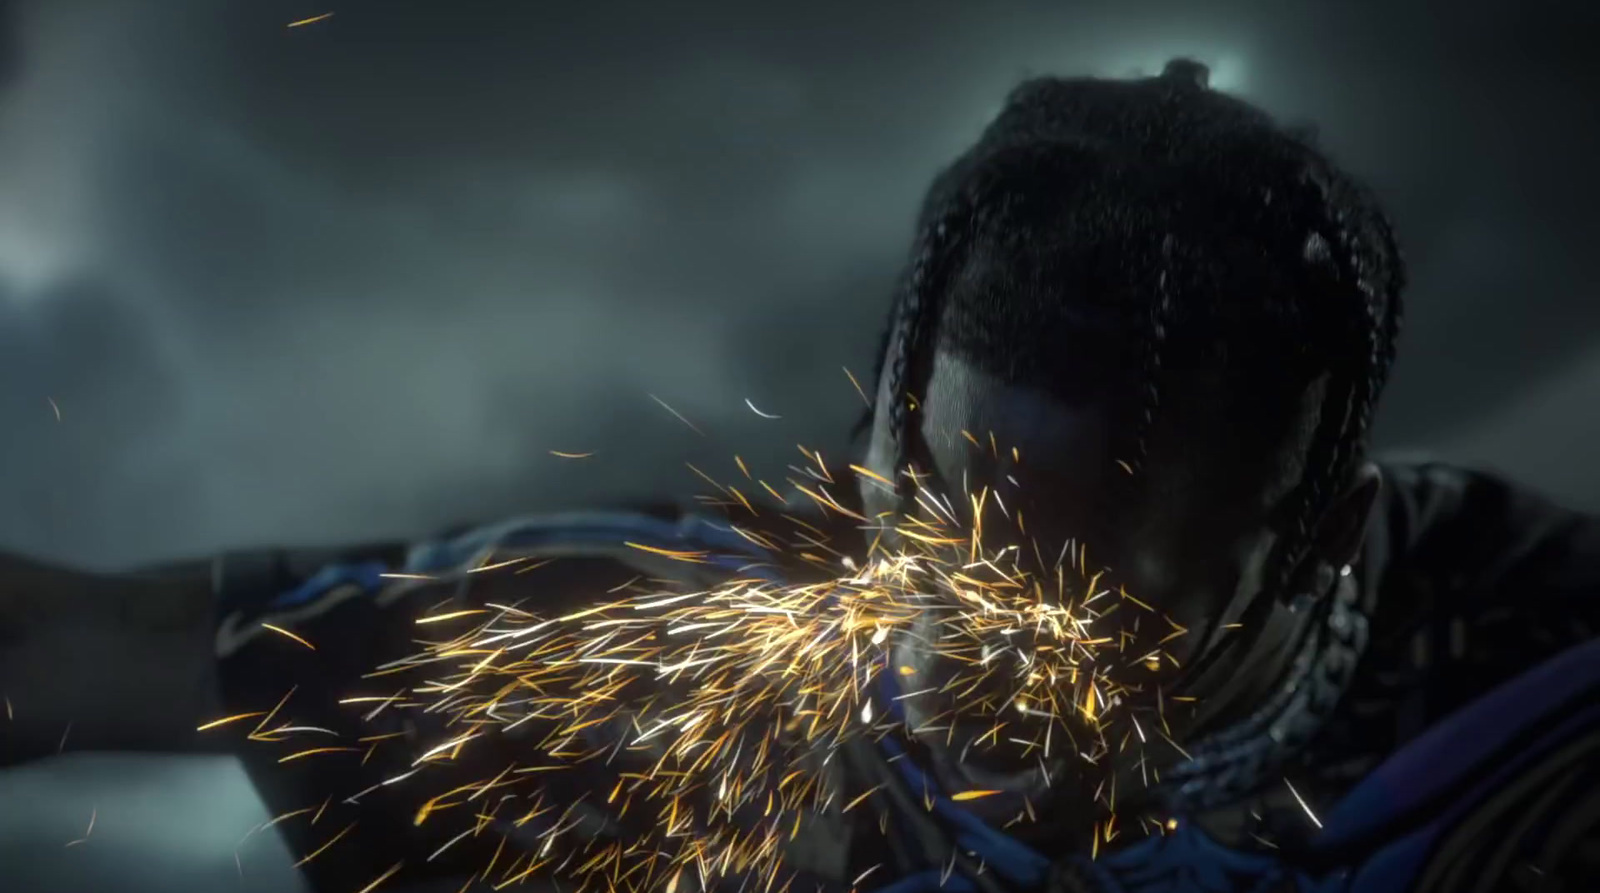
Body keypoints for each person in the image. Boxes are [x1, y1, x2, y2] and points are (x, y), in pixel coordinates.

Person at [2, 60, 1597, 893]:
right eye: (949, 554)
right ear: (885, 448)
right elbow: (64, 648)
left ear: (1321, 539)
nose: (986, 669)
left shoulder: (1537, 691)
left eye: (1106, 635)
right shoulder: (667, 646)